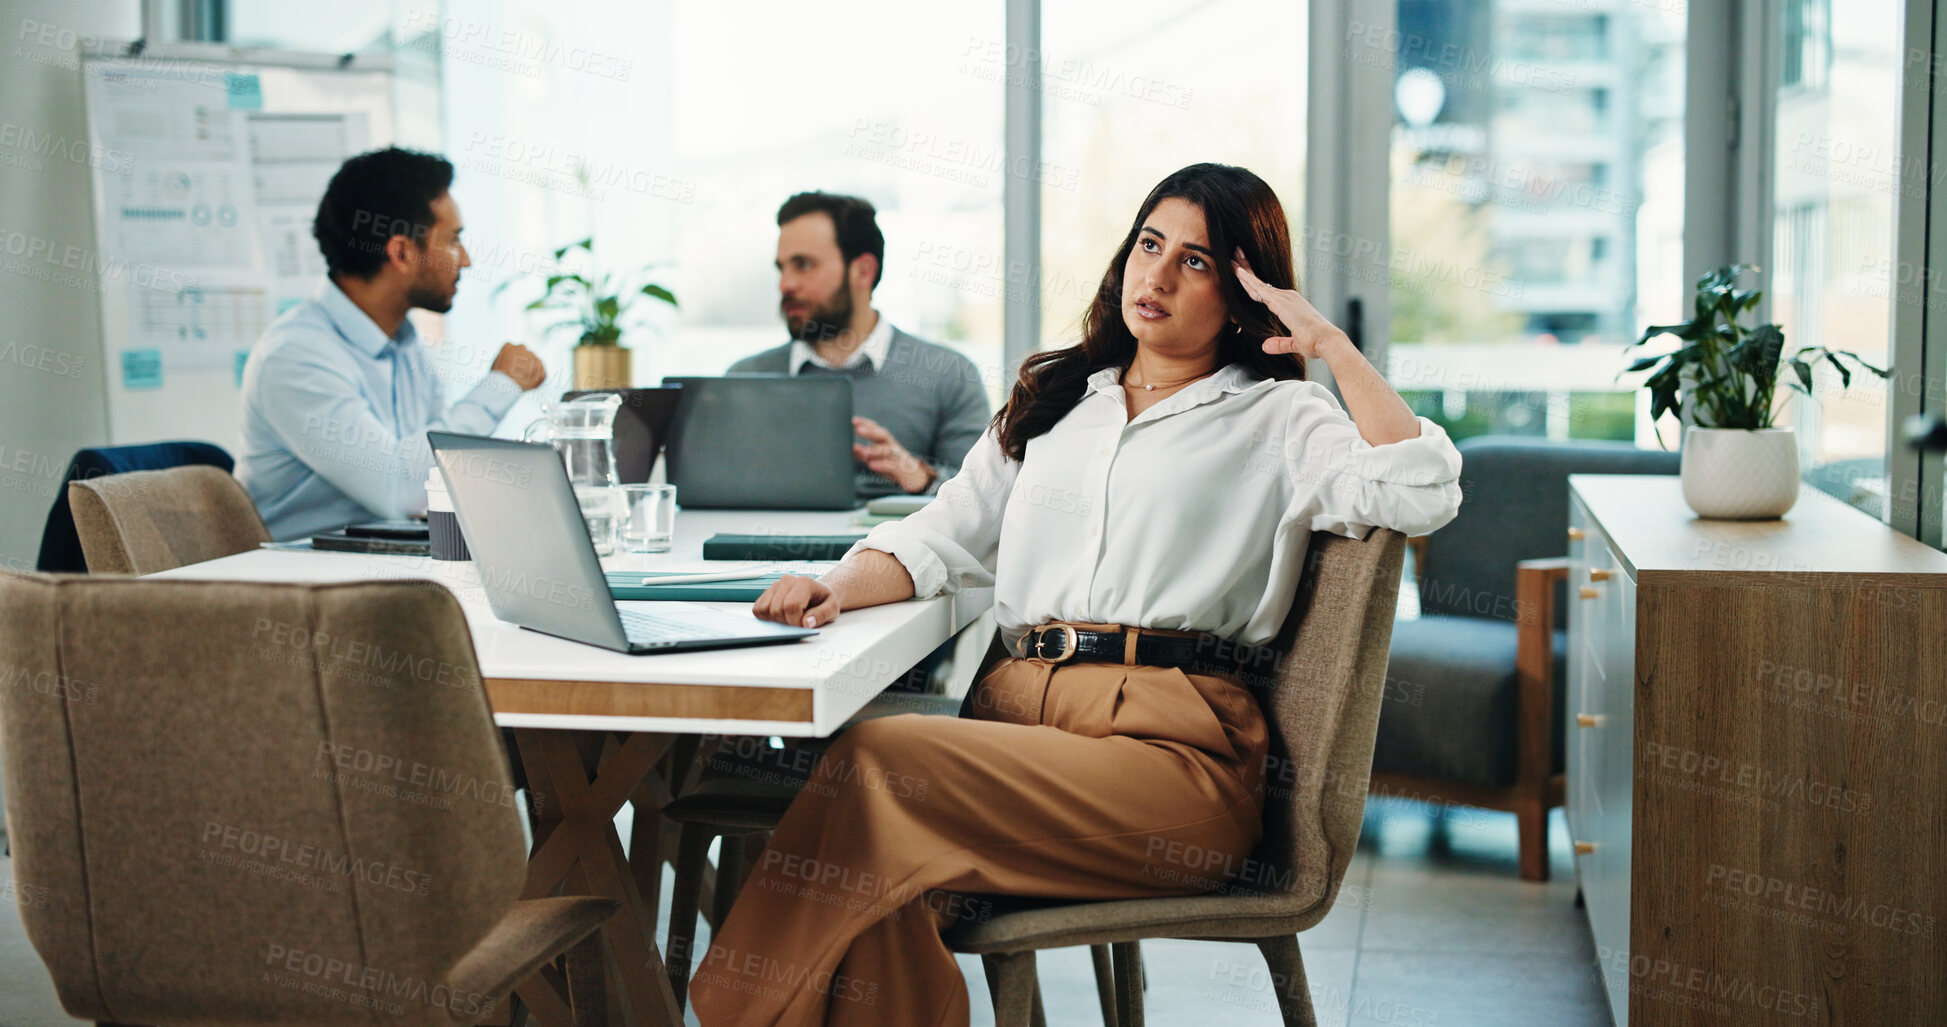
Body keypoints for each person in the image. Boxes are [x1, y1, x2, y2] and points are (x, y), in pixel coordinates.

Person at [688, 164, 1465, 1026]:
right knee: (878, 893)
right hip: (1018, 731)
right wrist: (833, 584)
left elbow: (1422, 486)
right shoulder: (1053, 402)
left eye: (1197, 262)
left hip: (1171, 765)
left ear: (1248, 290)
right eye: (1149, 244)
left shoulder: (1279, 420)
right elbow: (939, 535)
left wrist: (1327, 344)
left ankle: (718, 1012)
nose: (1158, 275)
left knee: (876, 769)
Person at [237, 146, 546, 541]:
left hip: (388, 564)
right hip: (305, 584)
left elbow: (436, 477)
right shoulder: (296, 357)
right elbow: (405, 492)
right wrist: (501, 385)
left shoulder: (404, 343)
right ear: (401, 252)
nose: (465, 260)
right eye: (453, 241)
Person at [729, 191, 990, 499]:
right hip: (763, 546)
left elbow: (982, 501)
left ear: (863, 271)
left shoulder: (948, 374)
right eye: (782, 267)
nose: (785, 284)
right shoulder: (744, 379)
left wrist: (921, 478)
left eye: (803, 265)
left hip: (892, 547)